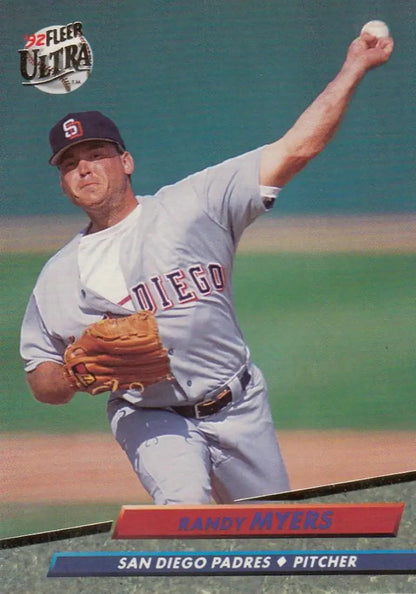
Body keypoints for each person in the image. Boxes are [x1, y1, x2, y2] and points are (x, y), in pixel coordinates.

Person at [20, 32, 393, 504]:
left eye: (96, 155)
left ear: (126, 161)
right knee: (185, 514)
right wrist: (72, 376)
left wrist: (353, 67)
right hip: (151, 418)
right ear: (63, 183)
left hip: (239, 406)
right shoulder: (56, 276)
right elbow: (40, 377)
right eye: (69, 163)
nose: (84, 168)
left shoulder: (193, 205)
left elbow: (297, 147)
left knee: (271, 535)